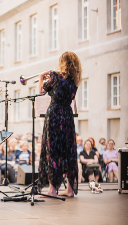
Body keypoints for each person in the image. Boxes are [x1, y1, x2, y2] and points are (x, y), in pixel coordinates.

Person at [38, 51, 82, 197]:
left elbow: (41, 92)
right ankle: (70, 189)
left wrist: (40, 78)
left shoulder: (55, 77)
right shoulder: (74, 81)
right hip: (67, 117)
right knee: (68, 151)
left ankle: (53, 189)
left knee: (53, 151)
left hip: (55, 116)